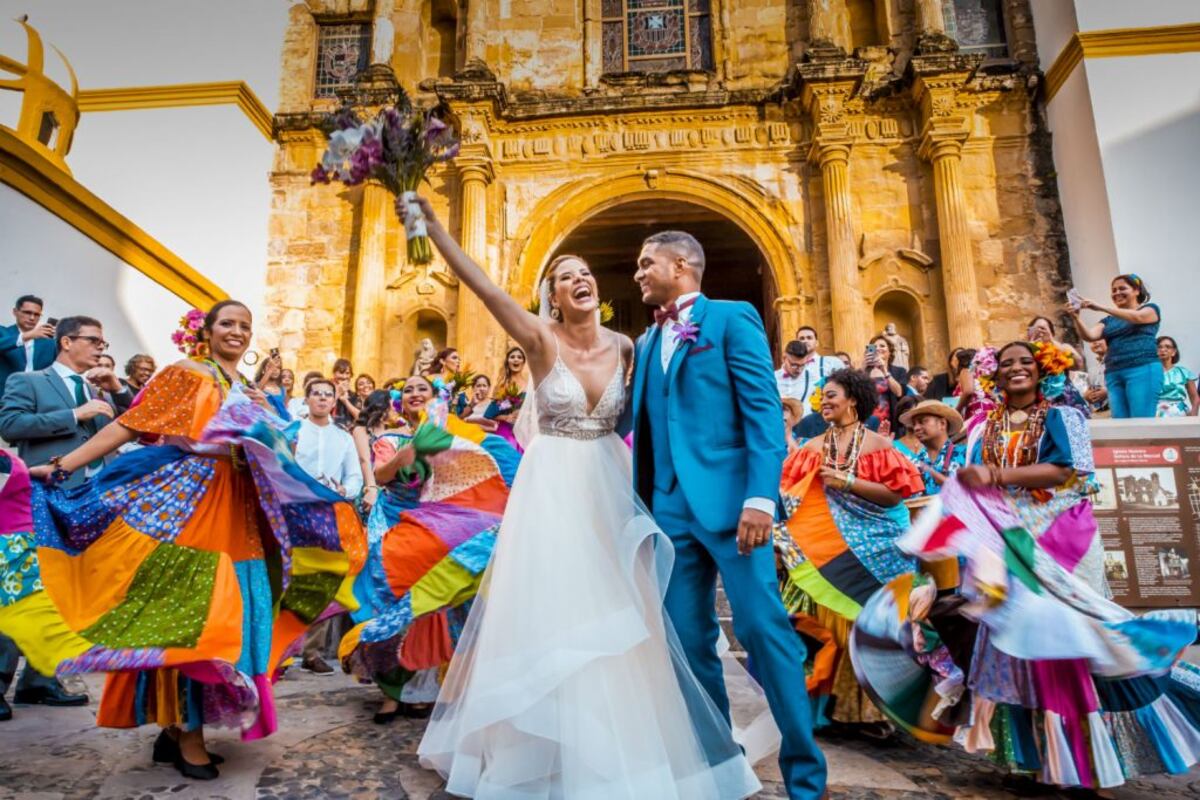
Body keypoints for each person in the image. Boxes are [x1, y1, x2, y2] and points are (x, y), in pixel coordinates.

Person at [400, 195, 767, 799]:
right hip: (555, 486)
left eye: (585, 273)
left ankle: (630, 744)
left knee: (625, 610)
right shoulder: (540, 340)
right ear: (552, 297)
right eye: (565, 277)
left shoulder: (629, 347)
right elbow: (487, 288)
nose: (579, 280)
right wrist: (434, 228)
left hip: (612, 481)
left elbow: (658, 418)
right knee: (562, 609)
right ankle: (551, 749)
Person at [25, 300, 365, 780]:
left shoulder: (247, 389)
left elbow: (278, 453)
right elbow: (128, 426)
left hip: (243, 512)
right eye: (227, 323)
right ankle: (187, 733)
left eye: (245, 326)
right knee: (195, 622)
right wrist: (63, 466)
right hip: (194, 511)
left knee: (235, 620)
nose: (237, 332)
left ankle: (175, 729)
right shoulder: (186, 373)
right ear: (207, 331)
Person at [894, 341, 1200, 791]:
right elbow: (976, 485)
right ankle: (1042, 761)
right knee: (1018, 649)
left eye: (1026, 362)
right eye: (1006, 364)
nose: (1016, 369)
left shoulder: (1065, 417)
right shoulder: (983, 428)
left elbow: (1066, 471)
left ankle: (1080, 763)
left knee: (1064, 643)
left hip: (1061, 537)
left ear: (1043, 371)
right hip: (1006, 540)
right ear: (992, 376)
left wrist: (997, 477)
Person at [630, 228, 826, 798]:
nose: (639, 272)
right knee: (688, 644)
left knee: (765, 633)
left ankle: (807, 778)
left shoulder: (732, 317)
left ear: (683, 264)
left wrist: (760, 498)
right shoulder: (644, 345)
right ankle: (721, 766)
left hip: (736, 509)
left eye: (648, 264)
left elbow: (763, 414)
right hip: (668, 513)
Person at [342, 376, 516, 726]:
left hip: (437, 527)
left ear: (437, 398)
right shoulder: (390, 439)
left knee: (431, 607)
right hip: (392, 526)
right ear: (399, 401)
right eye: (408, 390)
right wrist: (411, 451)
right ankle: (390, 693)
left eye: (423, 389)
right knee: (385, 603)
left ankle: (422, 690)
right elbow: (381, 474)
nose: (415, 394)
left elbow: (490, 464)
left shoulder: (457, 437)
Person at [774, 368, 923, 737]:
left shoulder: (879, 446)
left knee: (871, 625)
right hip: (830, 554)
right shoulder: (810, 448)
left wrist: (849, 481)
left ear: (854, 399)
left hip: (881, 546)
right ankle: (831, 709)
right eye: (823, 395)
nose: (825, 400)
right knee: (833, 626)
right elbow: (790, 498)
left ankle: (872, 714)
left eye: (833, 394)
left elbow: (895, 494)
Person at [0, 316, 133, 488]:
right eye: (93, 340)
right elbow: (10, 426)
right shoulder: (27, 381)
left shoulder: (99, 390)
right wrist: (74, 415)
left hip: (101, 489)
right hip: (53, 488)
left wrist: (118, 389)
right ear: (67, 342)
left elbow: (135, 423)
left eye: (103, 343)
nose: (101, 346)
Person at [293, 377, 366, 676]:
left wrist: (344, 491)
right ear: (307, 398)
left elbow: (355, 476)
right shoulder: (294, 430)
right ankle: (281, 654)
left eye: (328, 395)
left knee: (324, 579)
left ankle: (312, 651)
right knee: (289, 577)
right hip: (294, 508)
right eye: (316, 394)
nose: (322, 399)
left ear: (334, 402)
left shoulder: (343, 437)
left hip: (328, 511)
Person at [1068, 274, 1162, 418]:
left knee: (1141, 420)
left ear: (1137, 290)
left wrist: (1100, 307)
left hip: (1142, 369)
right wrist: (1076, 318)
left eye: (1122, 288)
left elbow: (1138, 318)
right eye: (1114, 290)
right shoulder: (1108, 320)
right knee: (1120, 423)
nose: (1116, 293)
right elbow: (1090, 336)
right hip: (1114, 374)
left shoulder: (1150, 309)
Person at [898, 399, 965, 496]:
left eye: (922, 421)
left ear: (942, 424)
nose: (916, 428)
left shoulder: (965, 454)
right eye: (914, 424)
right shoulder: (915, 463)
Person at [0, 295, 56, 399]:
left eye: (37, 314)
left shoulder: (49, 342)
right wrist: (26, 336)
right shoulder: (3, 333)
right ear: (15, 312)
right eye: (27, 312)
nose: (32, 318)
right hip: (5, 397)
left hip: (38, 399)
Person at [777, 334, 840, 416]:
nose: (799, 369)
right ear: (784, 358)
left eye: (803, 365)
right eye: (794, 365)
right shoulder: (773, 378)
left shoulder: (815, 378)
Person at [484, 345, 529, 452]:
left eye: (519, 357)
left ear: (523, 362)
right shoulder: (502, 385)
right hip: (505, 431)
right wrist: (505, 417)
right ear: (507, 361)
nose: (516, 359)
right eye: (512, 357)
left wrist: (525, 414)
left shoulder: (529, 385)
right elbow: (489, 413)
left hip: (523, 431)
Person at [865, 335, 908, 436]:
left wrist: (885, 370)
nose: (878, 348)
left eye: (882, 346)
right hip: (868, 420)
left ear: (889, 352)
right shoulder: (864, 371)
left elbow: (899, 392)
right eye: (875, 346)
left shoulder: (899, 371)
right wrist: (863, 367)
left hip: (890, 420)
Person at [1155, 336, 1198, 417]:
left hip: (1179, 413)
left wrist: (1194, 414)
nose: (1163, 349)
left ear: (1174, 352)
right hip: (1156, 413)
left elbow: (1194, 397)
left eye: (1167, 347)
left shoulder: (1183, 372)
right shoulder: (1150, 373)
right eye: (1159, 347)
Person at [253, 352, 290, 419]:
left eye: (278, 367)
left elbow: (285, 409)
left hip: (282, 423)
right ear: (263, 370)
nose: (275, 370)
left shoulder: (283, 389)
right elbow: (256, 393)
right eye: (271, 366)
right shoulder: (256, 385)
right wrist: (269, 371)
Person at [1084, 339, 1109, 415]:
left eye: (1099, 339)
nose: (1095, 342)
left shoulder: (1117, 362)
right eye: (1091, 340)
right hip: (1101, 412)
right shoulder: (1093, 369)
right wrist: (1087, 395)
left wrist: (1108, 392)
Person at [331, 358, 358, 428]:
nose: (344, 376)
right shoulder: (327, 392)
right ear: (334, 373)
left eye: (347, 373)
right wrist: (337, 394)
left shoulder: (354, 395)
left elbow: (360, 418)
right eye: (341, 372)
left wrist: (345, 401)